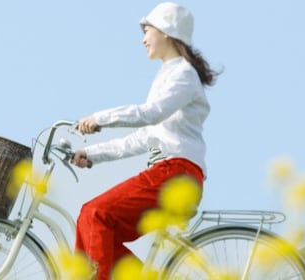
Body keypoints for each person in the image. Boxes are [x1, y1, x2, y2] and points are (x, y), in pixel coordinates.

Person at [69, 2, 219, 279]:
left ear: (166, 31)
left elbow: (150, 114)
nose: (143, 39)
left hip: (176, 173)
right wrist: (93, 154)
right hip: (168, 172)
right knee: (95, 227)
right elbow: (144, 137)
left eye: (147, 30)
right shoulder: (168, 75)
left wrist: (99, 118)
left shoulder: (183, 74)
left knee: (95, 214)